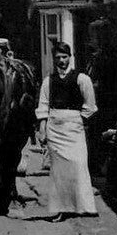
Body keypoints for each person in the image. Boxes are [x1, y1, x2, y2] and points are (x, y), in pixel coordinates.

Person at [36, 41, 98, 221]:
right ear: (54, 60)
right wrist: (43, 130)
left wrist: (78, 119)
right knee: (59, 171)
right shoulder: (49, 81)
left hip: (74, 128)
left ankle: (83, 207)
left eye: (64, 57)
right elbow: (43, 105)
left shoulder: (82, 79)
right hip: (55, 128)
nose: (61, 61)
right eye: (58, 58)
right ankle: (62, 209)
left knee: (78, 165)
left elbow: (91, 106)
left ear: (70, 57)